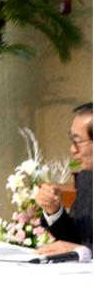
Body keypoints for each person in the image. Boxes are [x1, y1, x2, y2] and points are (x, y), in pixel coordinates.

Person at [35, 101, 92, 259]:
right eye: (71, 140)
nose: (72, 149)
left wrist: (86, 252)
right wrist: (54, 210)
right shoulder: (86, 179)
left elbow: (82, 249)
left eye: (78, 141)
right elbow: (76, 240)